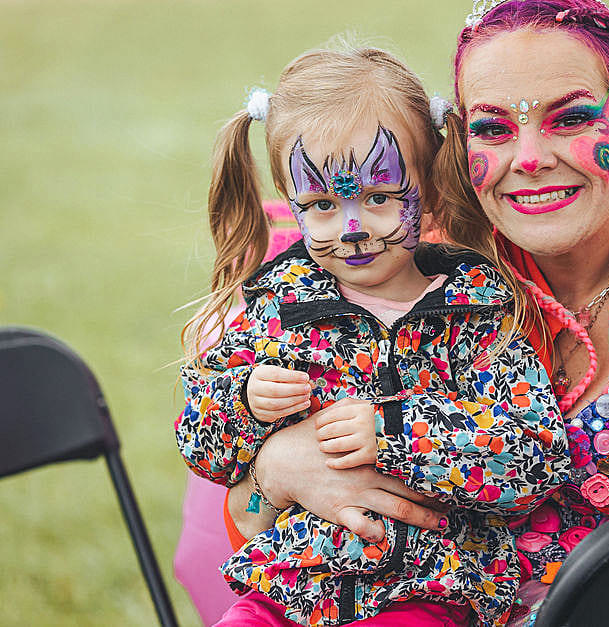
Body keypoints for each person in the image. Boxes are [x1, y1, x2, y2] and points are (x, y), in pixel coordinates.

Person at [225, 0, 609, 626]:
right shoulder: (420, 270)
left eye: (569, 118)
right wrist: (275, 471)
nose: (531, 156)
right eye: (493, 128)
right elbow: (254, 532)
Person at [175, 45, 570, 626]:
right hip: (286, 590)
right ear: (292, 205)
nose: (353, 228)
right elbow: (201, 445)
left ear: (430, 189)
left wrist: (394, 434)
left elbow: (533, 460)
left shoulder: (476, 314)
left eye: (380, 198)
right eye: (323, 205)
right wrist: (244, 403)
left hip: (426, 592)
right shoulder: (279, 307)